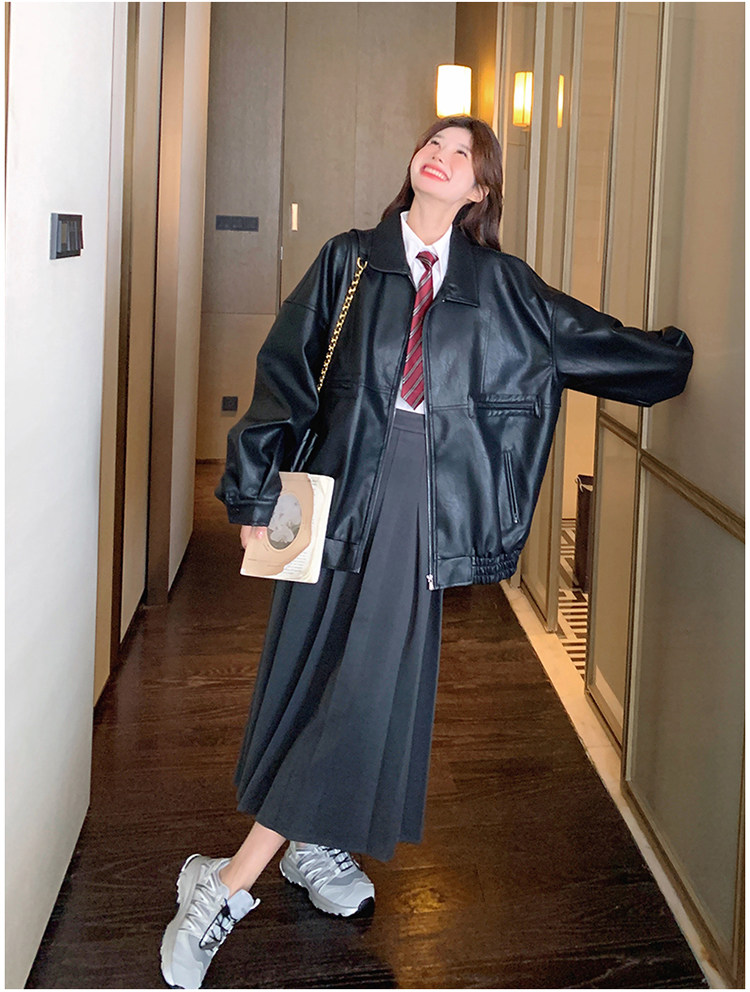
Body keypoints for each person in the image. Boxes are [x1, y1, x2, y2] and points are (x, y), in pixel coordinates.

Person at [159, 116, 693, 989]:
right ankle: (286, 852)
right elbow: (287, 373)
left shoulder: (501, 285)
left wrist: (684, 358)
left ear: (480, 190)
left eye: (462, 154)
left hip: (423, 497)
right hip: (331, 487)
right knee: (311, 665)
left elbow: (590, 343)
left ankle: (236, 877)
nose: (440, 157)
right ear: (415, 164)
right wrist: (254, 491)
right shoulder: (350, 259)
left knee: (368, 679)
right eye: (433, 145)